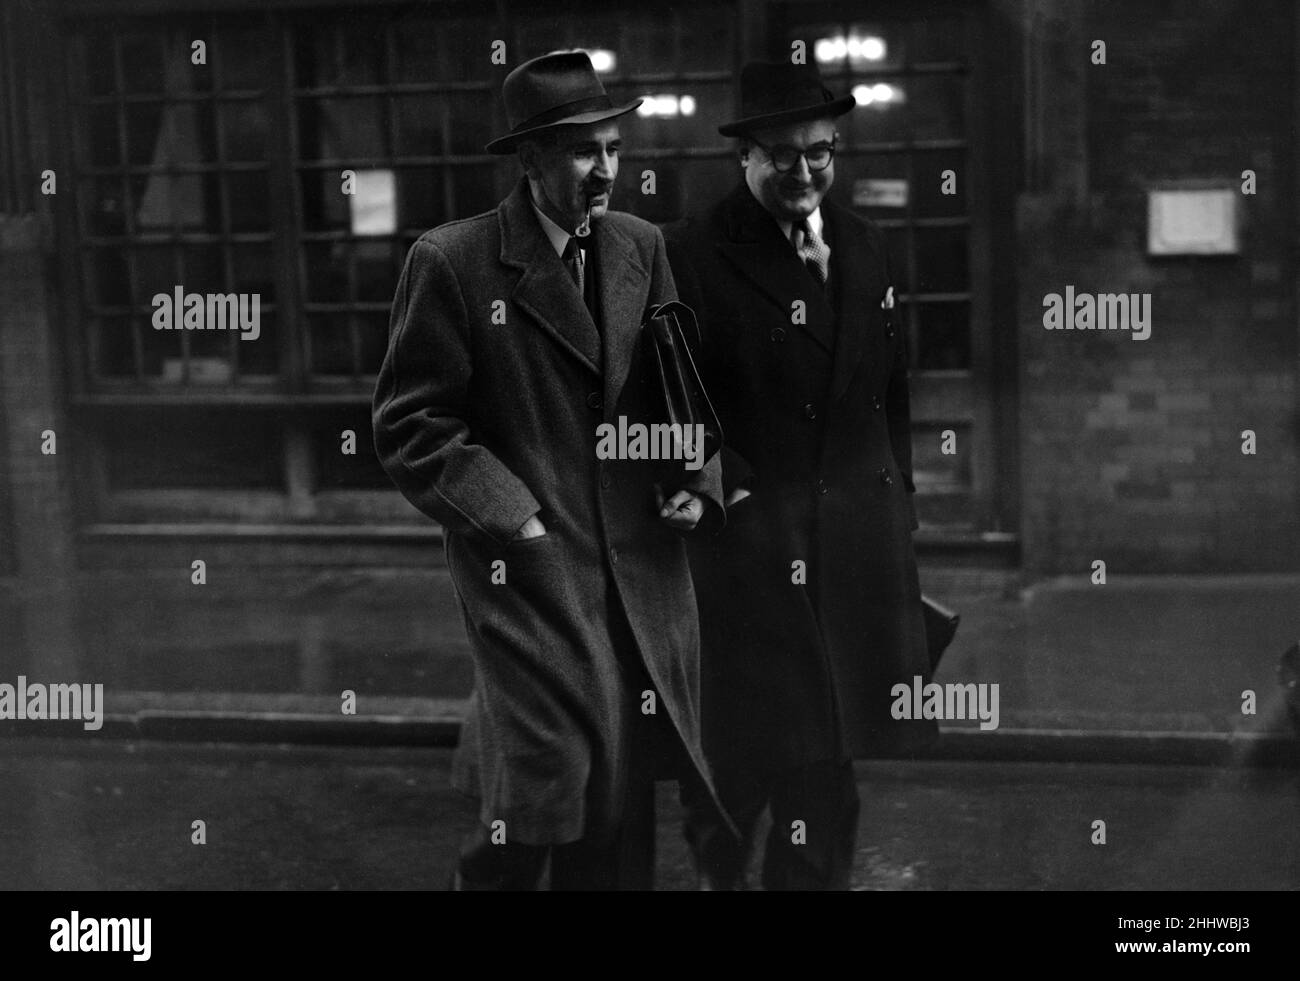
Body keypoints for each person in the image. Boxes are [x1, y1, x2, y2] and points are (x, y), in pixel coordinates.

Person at [373, 50, 729, 890]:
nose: (604, 170)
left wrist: (694, 483)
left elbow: (679, 393)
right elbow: (410, 423)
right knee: (540, 791)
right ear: (530, 160)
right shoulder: (454, 261)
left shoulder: (641, 246)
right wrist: (515, 517)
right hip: (531, 579)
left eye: (613, 149)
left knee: (619, 802)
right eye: (581, 152)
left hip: (642, 574)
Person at [664, 60, 938, 890]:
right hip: (749, 560)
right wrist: (729, 485)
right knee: (737, 770)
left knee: (826, 775)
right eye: (782, 154)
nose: (804, 170)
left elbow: (891, 390)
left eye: (820, 152)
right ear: (744, 155)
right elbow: (671, 399)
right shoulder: (692, 251)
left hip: (853, 552)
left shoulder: (864, 243)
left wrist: (900, 507)